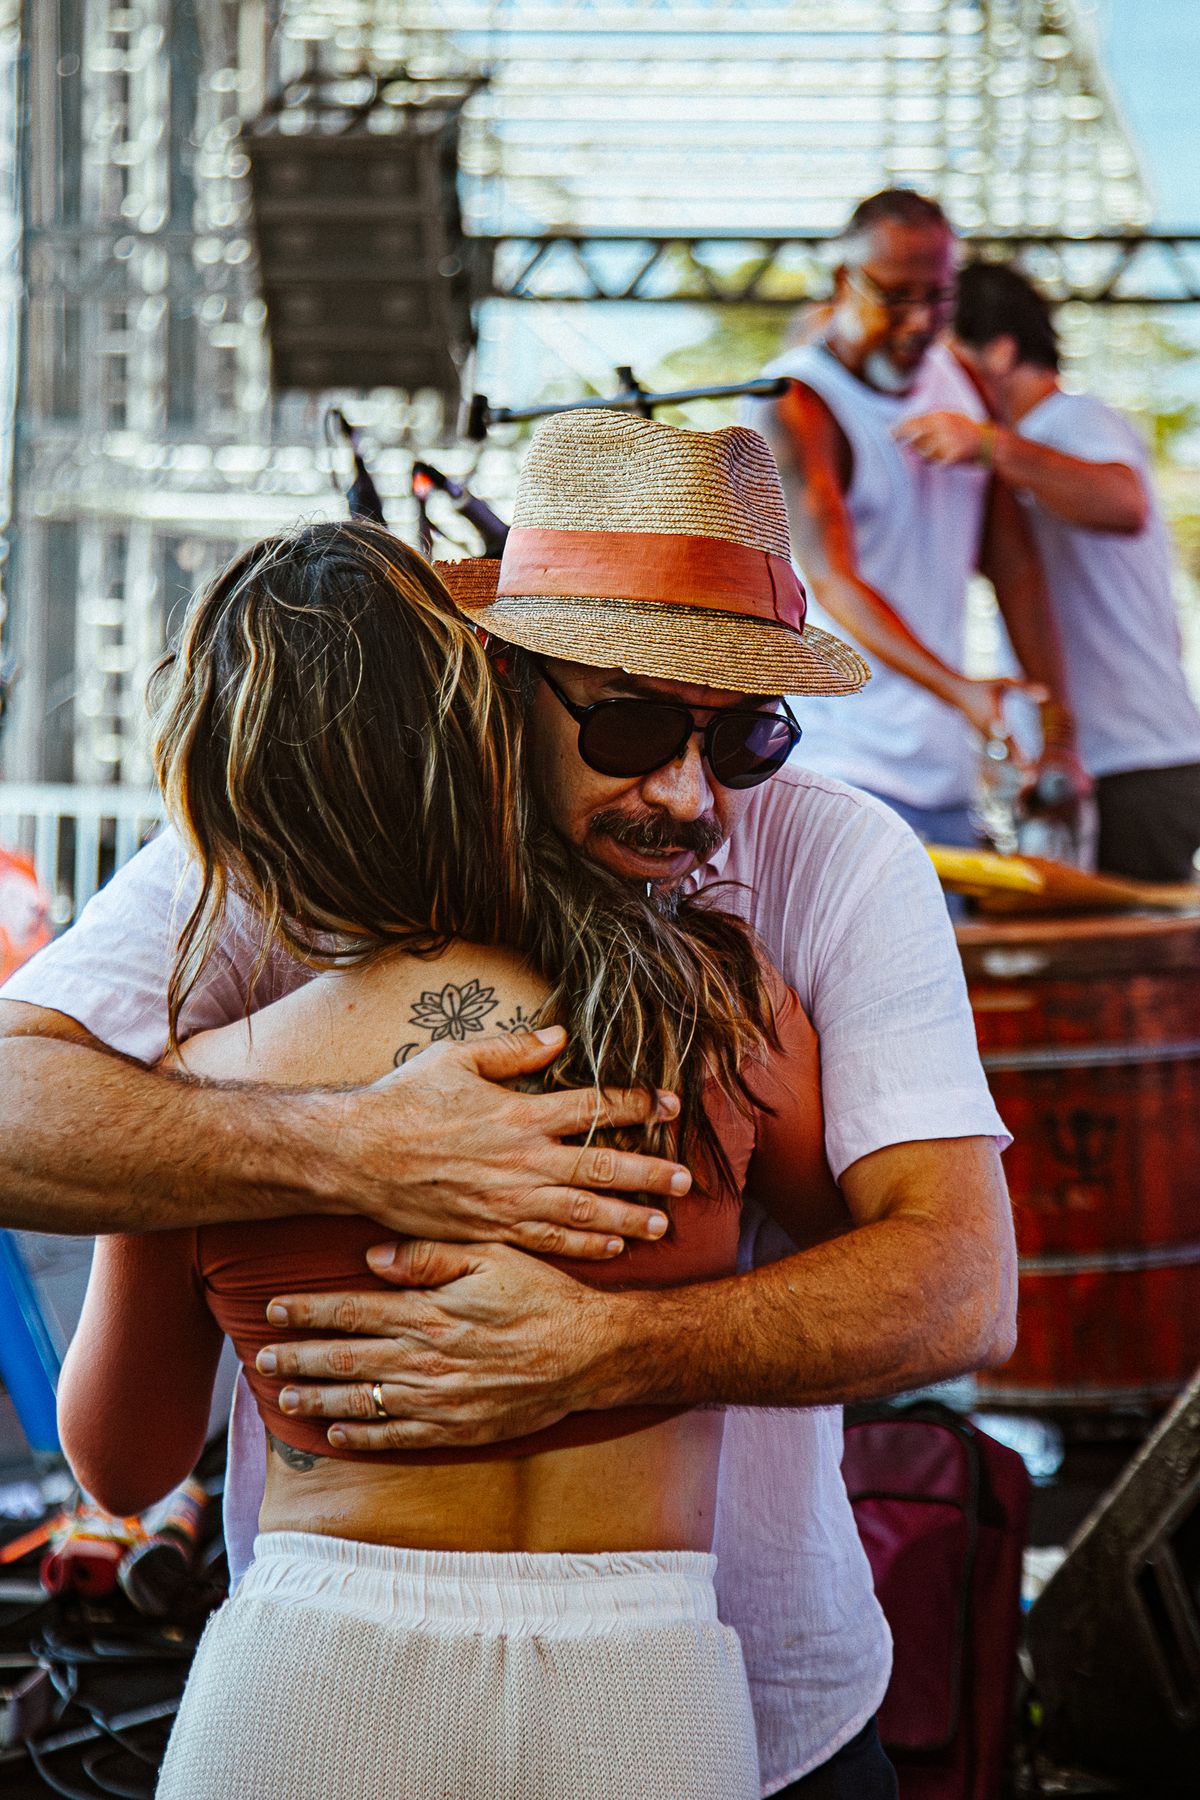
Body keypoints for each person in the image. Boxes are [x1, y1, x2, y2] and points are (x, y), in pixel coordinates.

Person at [0, 409, 1016, 1800]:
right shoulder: (728, 1016)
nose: (688, 793)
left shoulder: (207, 1052)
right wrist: (355, 1148)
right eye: (637, 720)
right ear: (503, 680)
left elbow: (959, 1285)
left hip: (527, 1683)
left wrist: (601, 1346)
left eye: (748, 737)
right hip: (657, 1692)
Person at [750, 186, 1086, 848]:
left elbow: (1013, 566)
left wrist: (1058, 732)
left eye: (938, 297)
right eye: (895, 296)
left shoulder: (959, 377)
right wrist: (960, 690)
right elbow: (833, 581)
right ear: (846, 280)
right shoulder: (796, 403)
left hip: (946, 778)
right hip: (833, 767)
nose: (918, 320)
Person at [897, 258, 1200, 882]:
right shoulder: (1020, 450)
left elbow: (1123, 502)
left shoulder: (1075, 419)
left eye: (950, 359)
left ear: (1000, 353)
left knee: (1133, 968)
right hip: (1088, 765)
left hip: (1139, 760)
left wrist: (986, 443)